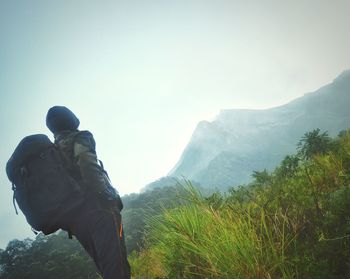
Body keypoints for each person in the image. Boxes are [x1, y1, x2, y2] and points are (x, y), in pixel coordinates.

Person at [46, 106, 131, 279]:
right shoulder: (81, 136)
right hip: (99, 209)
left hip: (76, 220)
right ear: (72, 119)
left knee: (105, 265)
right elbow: (85, 161)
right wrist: (105, 195)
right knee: (117, 265)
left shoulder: (52, 151)